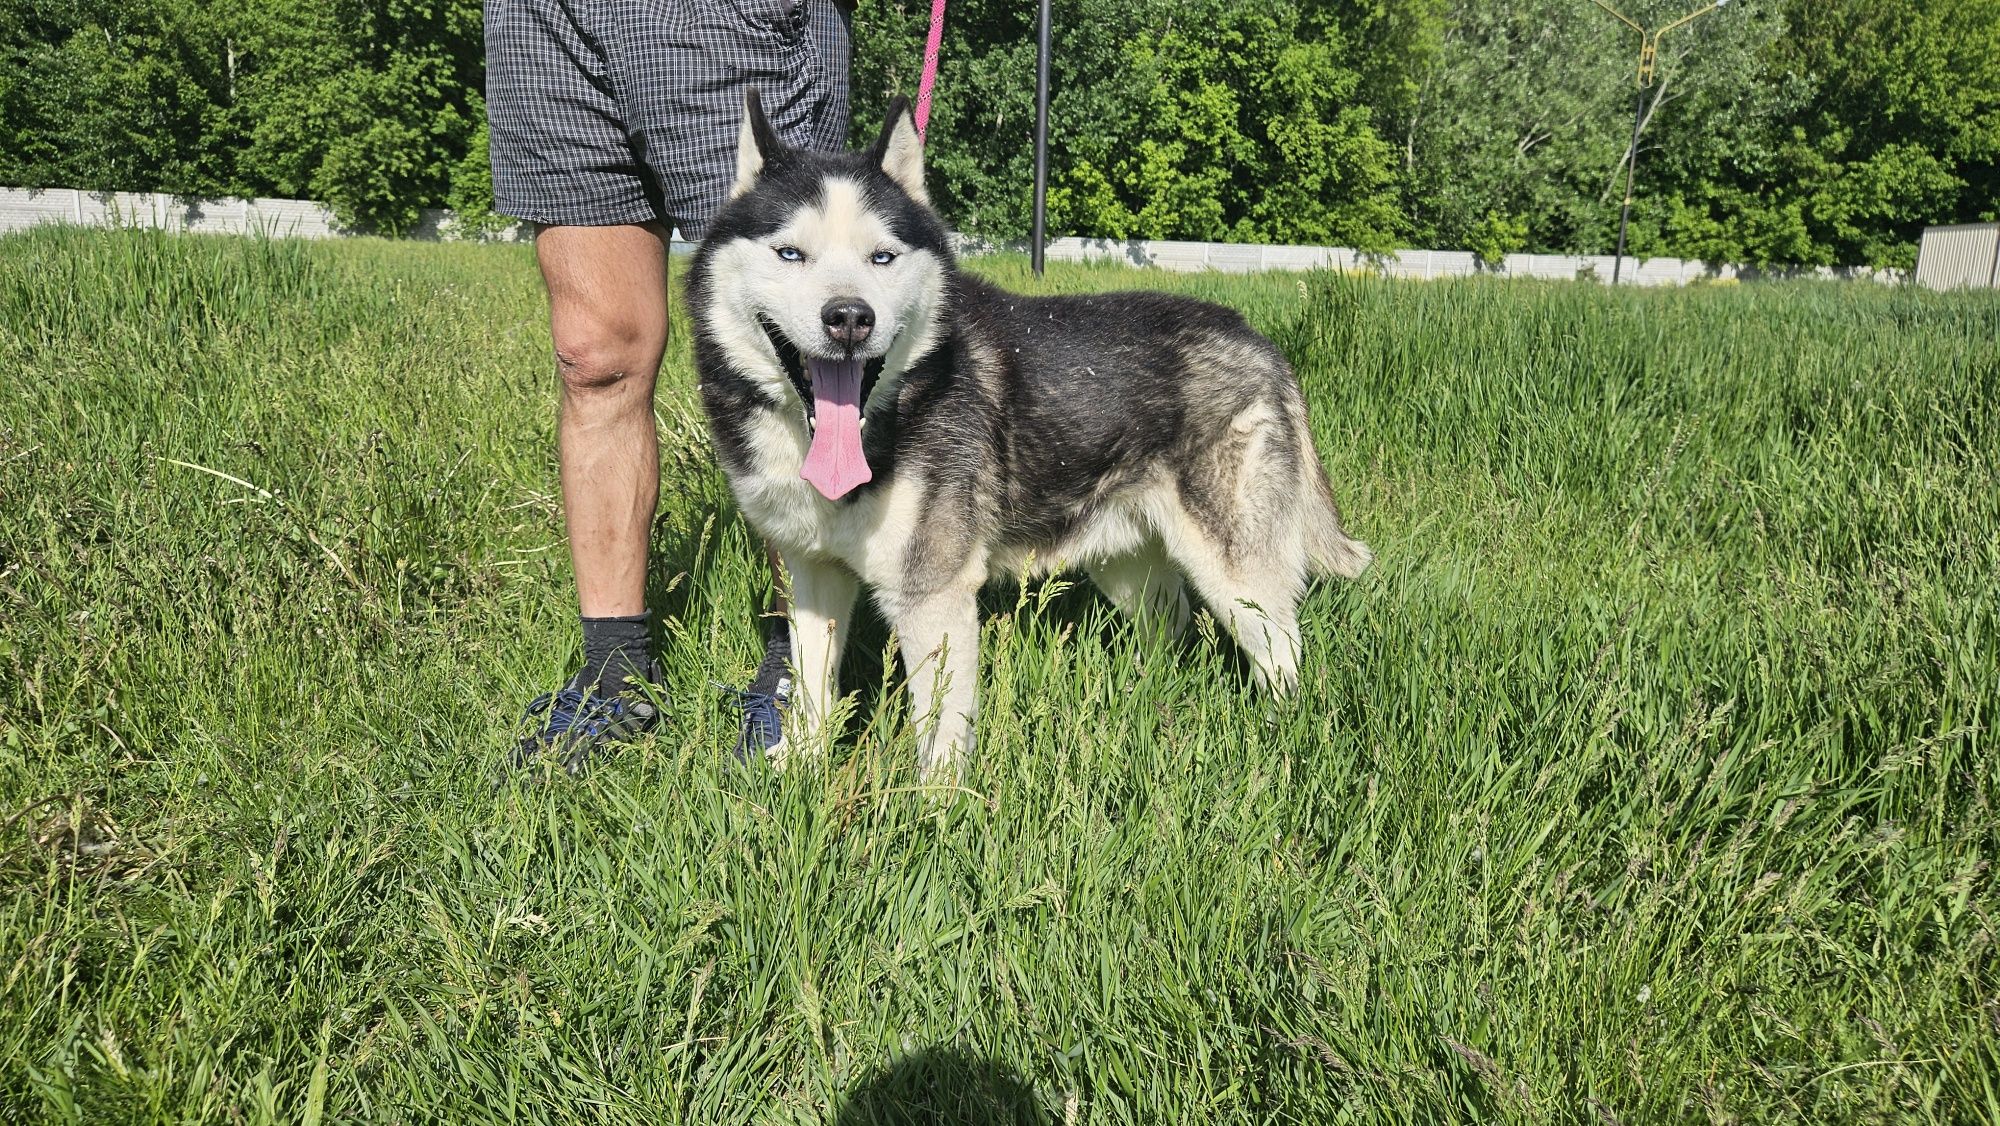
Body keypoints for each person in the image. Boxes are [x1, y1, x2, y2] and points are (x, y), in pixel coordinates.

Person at [485, 0, 853, 769]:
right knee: (594, 354)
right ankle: (614, 673)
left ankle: (802, 667)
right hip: (544, 19)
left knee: (796, 336)